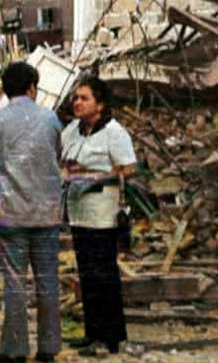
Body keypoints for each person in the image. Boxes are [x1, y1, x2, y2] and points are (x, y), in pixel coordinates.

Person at [0, 62, 63, 363]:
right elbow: (58, 151)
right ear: (32, 88)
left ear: (3, 89)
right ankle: (48, 350)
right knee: (47, 281)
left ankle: (14, 351)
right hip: (47, 213)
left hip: (10, 213)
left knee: (15, 283)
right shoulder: (51, 118)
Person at [61, 76, 136, 357]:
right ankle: (92, 333)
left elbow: (129, 168)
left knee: (104, 275)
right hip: (79, 213)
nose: (78, 102)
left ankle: (111, 336)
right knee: (87, 275)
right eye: (76, 98)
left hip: (103, 214)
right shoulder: (72, 130)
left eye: (84, 98)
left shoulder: (114, 132)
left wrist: (99, 175)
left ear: (100, 104)